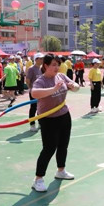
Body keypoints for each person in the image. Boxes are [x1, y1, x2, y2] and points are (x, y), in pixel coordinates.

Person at [31, 54, 79, 192]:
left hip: (63, 115)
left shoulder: (61, 76)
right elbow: (34, 93)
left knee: (63, 145)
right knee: (49, 148)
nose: (56, 67)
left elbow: (76, 87)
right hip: (47, 119)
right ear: (45, 66)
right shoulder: (41, 80)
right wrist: (53, 89)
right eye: (53, 64)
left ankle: (61, 170)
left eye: (58, 64)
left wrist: (73, 85)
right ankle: (38, 179)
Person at [26, 53, 44, 132]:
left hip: (41, 91)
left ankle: (40, 123)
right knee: (33, 108)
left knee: (41, 108)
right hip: (34, 91)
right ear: (36, 59)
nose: (42, 60)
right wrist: (31, 88)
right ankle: (32, 125)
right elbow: (27, 80)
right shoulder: (31, 69)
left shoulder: (42, 68)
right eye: (41, 58)